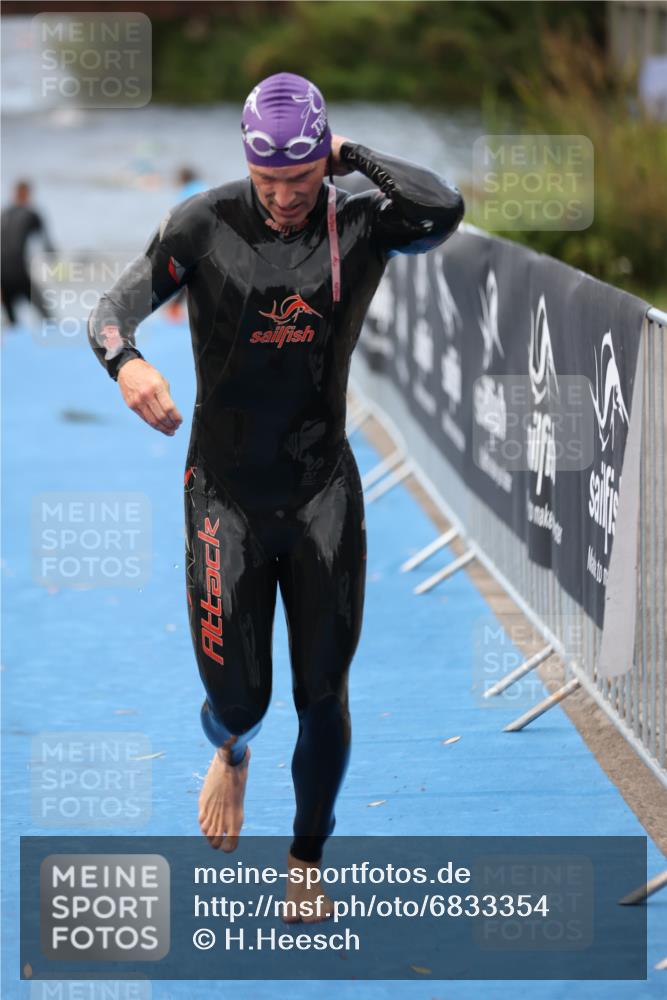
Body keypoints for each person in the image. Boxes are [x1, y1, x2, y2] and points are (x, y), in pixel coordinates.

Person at [88, 72, 464, 922]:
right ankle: (229, 750)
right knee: (239, 701)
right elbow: (110, 310)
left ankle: (306, 853)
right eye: (271, 183)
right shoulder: (204, 223)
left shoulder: (362, 223)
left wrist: (351, 159)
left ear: (323, 165)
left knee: (322, 693)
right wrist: (128, 363)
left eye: (301, 181)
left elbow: (443, 210)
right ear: (246, 168)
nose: (287, 199)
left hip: (322, 491)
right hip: (223, 497)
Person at [1, 180, 55, 325]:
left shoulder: (4, 215)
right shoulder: (32, 214)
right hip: (19, 272)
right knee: (48, 316)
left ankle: (13, 346)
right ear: (27, 194)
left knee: (12, 323)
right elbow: (49, 247)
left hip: (2, 276)